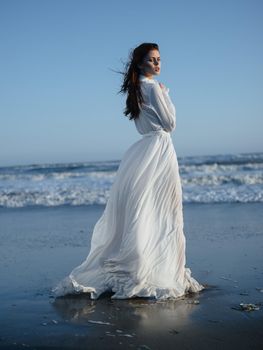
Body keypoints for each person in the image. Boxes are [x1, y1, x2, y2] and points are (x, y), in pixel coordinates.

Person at [51, 42, 205, 300]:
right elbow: (171, 124)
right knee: (165, 210)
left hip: (143, 151)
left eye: (158, 59)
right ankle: (162, 269)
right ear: (140, 63)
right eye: (152, 60)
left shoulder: (134, 90)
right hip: (159, 150)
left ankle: (141, 265)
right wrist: (166, 94)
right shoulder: (155, 88)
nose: (157, 64)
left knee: (143, 210)